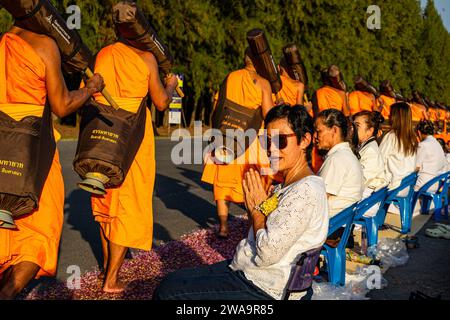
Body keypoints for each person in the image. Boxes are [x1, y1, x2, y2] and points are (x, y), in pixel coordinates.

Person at [154, 105, 328, 300]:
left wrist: (256, 211)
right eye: (267, 141)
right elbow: (266, 225)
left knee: (168, 294)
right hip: (248, 270)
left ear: (304, 140)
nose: (271, 149)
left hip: (266, 288)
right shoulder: (286, 186)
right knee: (170, 281)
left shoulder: (306, 191)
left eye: (280, 140)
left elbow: (267, 253)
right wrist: (260, 207)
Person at [0, 26, 104, 299]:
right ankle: (8, 292)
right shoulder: (44, 45)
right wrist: (90, 89)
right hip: (34, 152)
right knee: (39, 229)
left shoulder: (2, 43)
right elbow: (62, 104)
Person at [87, 37, 178, 292]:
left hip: (103, 134)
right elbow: (161, 102)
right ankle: (111, 279)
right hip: (133, 135)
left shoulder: (104, 53)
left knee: (108, 201)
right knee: (127, 203)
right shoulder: (146, 58)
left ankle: (107, 268)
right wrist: (170, 85)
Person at [201, 48, 274, 239]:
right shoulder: (263, 83)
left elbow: (218, 105)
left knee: (222, 182)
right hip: (251, 139)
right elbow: (268, 114)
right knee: (254, 181)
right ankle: (253, 223)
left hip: (227, 134)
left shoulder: (230, 77)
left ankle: (223, 226)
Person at [315, 109, 364, 218]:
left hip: (333, 225)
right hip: (342, 221)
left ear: (334, 130)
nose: (315, 136)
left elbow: (319, 197)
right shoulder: (343, 155)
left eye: (319, 131)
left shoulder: (337, 159)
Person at [379, 102, 418, 213]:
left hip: (394, 187)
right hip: (406, 187)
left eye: (391, 114)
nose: (388, 117)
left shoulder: (391, 136)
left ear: (396, 117)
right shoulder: (413, 138)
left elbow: (378, 161)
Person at [352, 111, 388, 217]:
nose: (352, 129)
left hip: (366, 202)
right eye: (352, 125)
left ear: (370, 131)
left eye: (357, 126)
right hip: (364, 196)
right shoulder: (365, 146)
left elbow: (360, 181)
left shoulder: (371, 151)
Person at [414, 120, 447, 193]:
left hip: (423, 184)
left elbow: (416, 167)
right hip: (436, 184)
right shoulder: (438, 145)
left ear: (419, 133)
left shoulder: (422, 145)